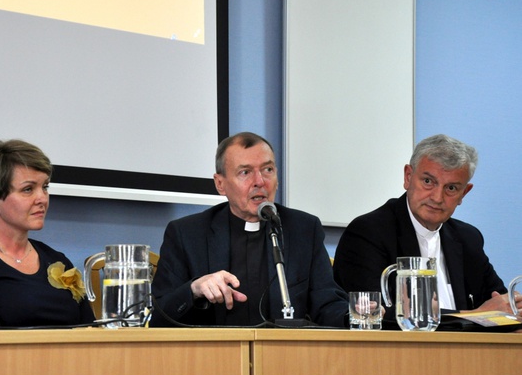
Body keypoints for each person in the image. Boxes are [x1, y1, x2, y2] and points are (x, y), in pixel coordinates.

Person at [151, 132, 348, 327]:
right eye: (245, 172)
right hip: (212, 355)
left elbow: (327, 303)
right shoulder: (187, 234)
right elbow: (159, 316)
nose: (260, 181)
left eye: (268, 169)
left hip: (285, 354)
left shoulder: (304, 229)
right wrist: (194, 290)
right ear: (220, 184)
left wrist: (356, 315)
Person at [333, 134, 521, 322]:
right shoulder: (368, 233)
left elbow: (501, 304)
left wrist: (513, 312)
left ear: (464, 193)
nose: (437, 197)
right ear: (408, 177)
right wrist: (477, 316)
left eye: (452, 188)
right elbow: (370, 315)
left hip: (466, 351)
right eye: (428, 182)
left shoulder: (467, 238)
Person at [0, 139, 95, 327]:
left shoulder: (57, 260)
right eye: (28, 189)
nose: (42, 198)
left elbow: (91, 330)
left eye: (45, 187)